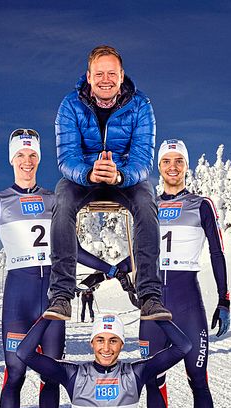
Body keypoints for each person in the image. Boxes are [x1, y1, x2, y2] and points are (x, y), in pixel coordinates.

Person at [0, 128, 126, 408]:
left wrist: (110, 268)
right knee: (15, 373)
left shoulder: (54, 200)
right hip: (20, 299)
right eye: (20, 155)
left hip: (53, 299)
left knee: (51, 376)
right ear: (11, 159)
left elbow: (72, 249)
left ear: (39, 159)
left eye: (32, 155)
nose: (26, 161)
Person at [44, 45, 170, 322]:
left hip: (123, 175)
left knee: (147, 200)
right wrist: (89, 173)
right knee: (62, 197)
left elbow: (142, 157)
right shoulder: (70, 105)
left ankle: (149, 295)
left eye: (111, 73)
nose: (105, 79)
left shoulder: (141, 106)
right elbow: (66, 156)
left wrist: (120, 175)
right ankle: (62, 295)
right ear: (88, 76)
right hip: (84, 177)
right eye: (99, 73)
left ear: (121, 75)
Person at [139, 139, 230, 408]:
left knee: (198, 380)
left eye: (179, 161)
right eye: (166, 161)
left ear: (187, 166)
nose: (173, 167)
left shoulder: (201, 205)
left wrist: (224, 299)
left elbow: (217, 252)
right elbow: (138, 253)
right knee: (153, 380)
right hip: (153, 306)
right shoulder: (147, 207)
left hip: (187, 302)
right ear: (159, 167)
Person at [17, 314, 191, 408]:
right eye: (100, 340)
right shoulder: (73, 374)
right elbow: (24, 353)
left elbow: (184, 347)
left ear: (122, 344)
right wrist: (47, 316)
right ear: (91, 343)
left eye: (113, 341)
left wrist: (158, 316)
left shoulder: (136, 372)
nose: (106, 348)